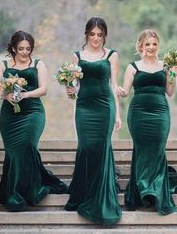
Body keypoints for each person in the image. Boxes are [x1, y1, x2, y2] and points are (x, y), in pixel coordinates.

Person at [0, 30, 68, 211]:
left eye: (28, 48)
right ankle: (13, 193)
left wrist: (25, 95)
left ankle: (30, 190)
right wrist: (6, 95)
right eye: (21, 48)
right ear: (13, 48)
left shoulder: (38, 64)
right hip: (10, 115)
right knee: (13, 153)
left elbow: (43, 90)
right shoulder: (3, 65)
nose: (25, 52)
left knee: (26, 145)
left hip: (33, 113)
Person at [117, 29, 177, 215]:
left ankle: (155, 192)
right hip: (138, 113)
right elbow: (126, 91)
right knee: (143, 151)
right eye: (147, 44)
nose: (151, 47)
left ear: (158, 46)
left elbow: (170, 92)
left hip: (160, 113)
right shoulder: (133, 67)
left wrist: (174, 74)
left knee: (157, 150)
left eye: (154, 44)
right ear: (141, 46)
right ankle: (144, 191)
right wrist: (120, 91)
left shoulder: (166, 66)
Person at [64, 17, 122, 224]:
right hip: (84, 108)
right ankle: (83, 194)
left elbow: (114, 85)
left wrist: (117, 114)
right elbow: (72, 88)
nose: (96, 38)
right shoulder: (77, 56)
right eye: (92, 34)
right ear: (86, 34)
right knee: (86, 147)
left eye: (100, 34)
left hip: (105, 107)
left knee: (101, 147)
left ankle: (101, 198)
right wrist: (69, 89)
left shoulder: (112, 55)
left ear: (104, 36)